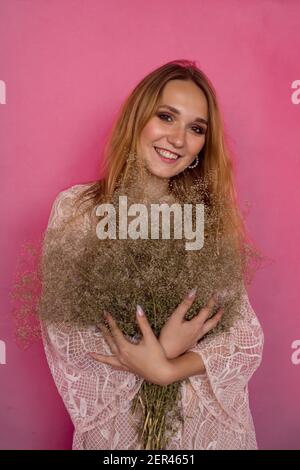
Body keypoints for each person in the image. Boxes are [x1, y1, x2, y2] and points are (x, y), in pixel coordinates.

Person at [39, 60, 264, 450]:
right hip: (122, 431)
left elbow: (243, 338)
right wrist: (164, 351)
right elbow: (68, 339)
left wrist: (168, 369)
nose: (178, 139)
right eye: (166, 117)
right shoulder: (78, 210)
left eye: (196, 129)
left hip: (206, 430)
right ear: (137, 118)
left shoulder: (208, 219)